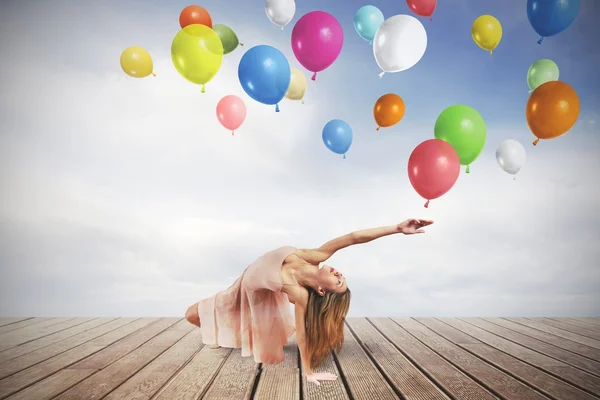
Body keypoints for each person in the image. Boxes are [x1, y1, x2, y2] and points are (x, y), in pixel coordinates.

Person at [185, 218, 433, 385]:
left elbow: (302, 336)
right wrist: (397, 229)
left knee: (194, 315)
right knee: (196, 315)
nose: (338, 274)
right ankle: (226, 335)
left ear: (323, 292)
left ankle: (226, 335)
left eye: (338, 282)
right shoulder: (315, 256)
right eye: (341, 277)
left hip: (252, 293)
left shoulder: (300, 294)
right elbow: (354, 237)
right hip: (240, 283)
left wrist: (309, 372)